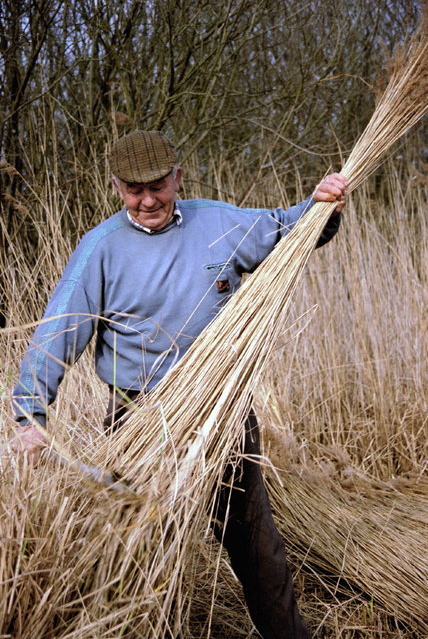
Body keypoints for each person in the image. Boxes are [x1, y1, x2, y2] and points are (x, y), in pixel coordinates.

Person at [12, 130, 347, 638]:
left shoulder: (217, 222)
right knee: (138, 553)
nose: (147, 200)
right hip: (140, 422)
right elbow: (58, 331)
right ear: (116, 186)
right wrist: (30, 417)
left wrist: (323, 206)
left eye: (157, 186)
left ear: (177, 177)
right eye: (132, 189)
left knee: (258, 548)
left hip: (222, 413)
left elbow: (289, 229)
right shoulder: (100, 250)